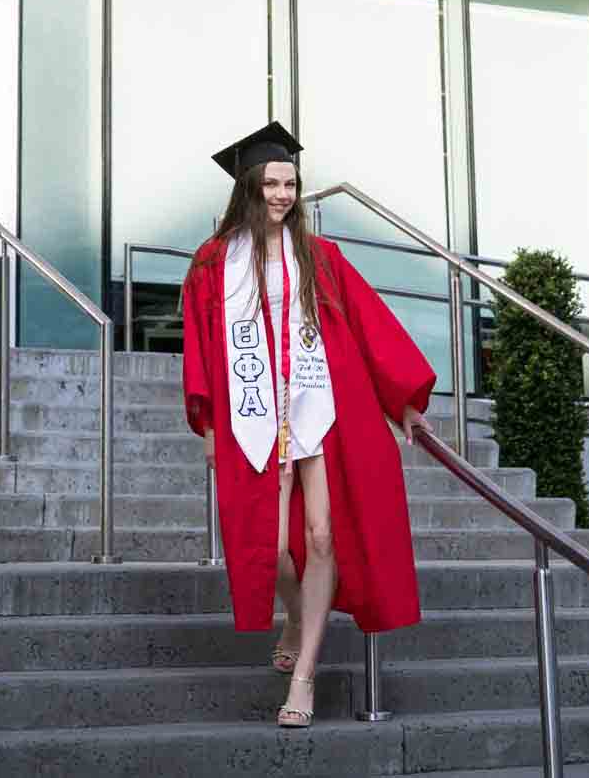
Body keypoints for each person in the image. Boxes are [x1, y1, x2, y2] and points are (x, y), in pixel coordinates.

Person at [180, 121, 436, 729]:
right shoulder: (214, 262)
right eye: (270, 182)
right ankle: (294, 615)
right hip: (255, 410)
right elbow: (202, 343)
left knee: (324, 537)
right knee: (269, 547)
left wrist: (402, 397)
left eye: (290, 183)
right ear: (248, 187)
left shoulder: (321, 257)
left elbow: (369, 324)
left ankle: (304, 679)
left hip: (322, 405)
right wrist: (210, 423)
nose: (282, 194)